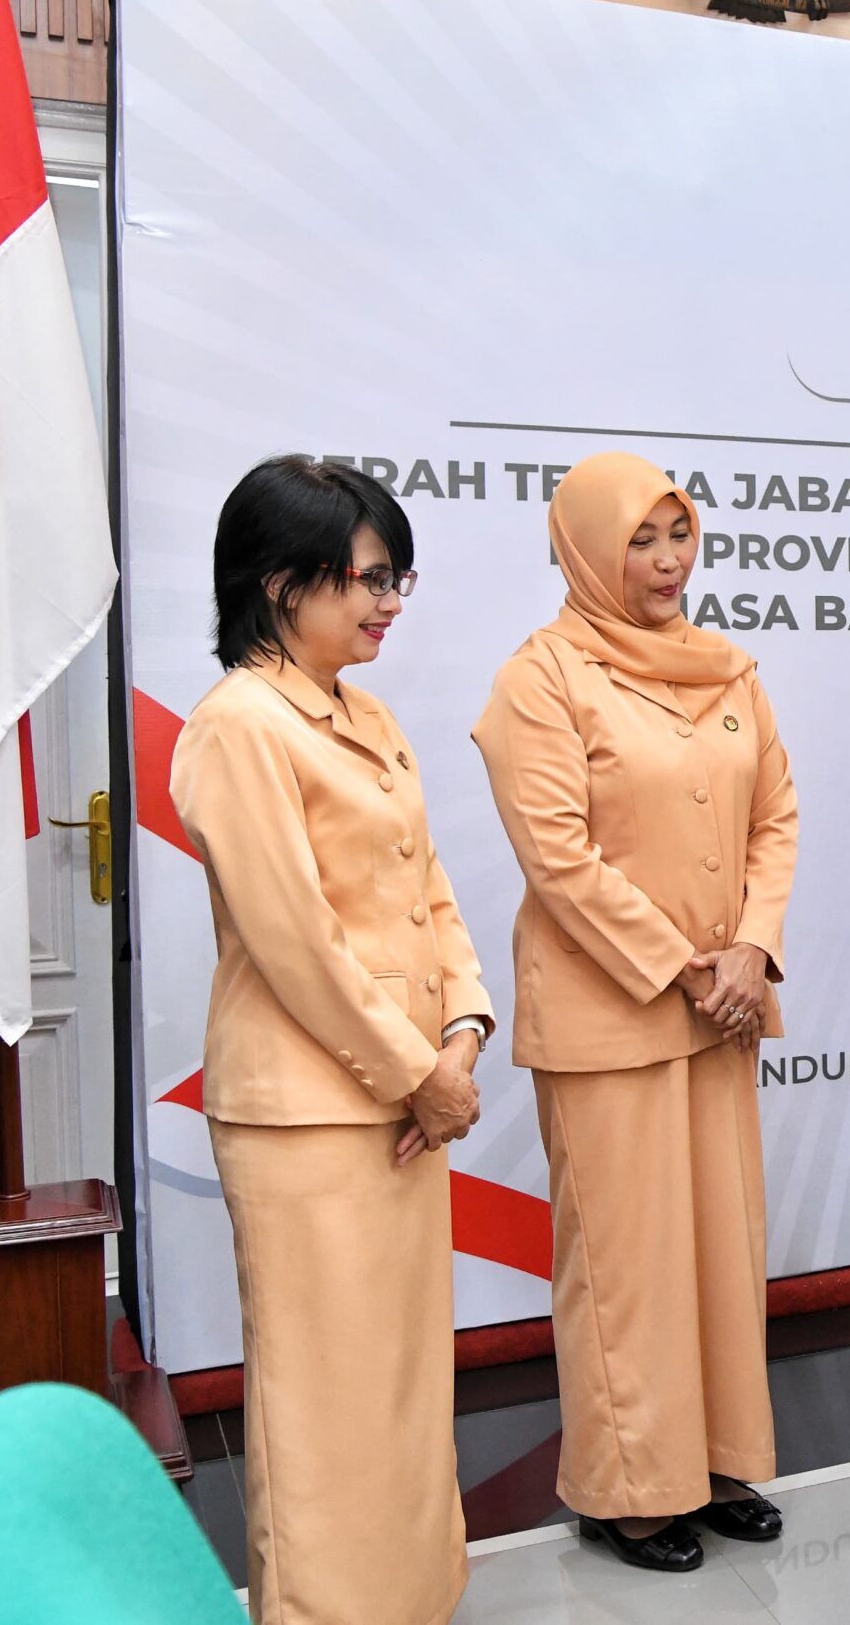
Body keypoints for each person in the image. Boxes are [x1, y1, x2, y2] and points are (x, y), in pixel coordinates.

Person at [170, 457, 488, 1625]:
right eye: (365, 576)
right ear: (278, 581)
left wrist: (458, 1032)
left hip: (409, 1097)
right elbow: (294, 939)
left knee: (402, 1385)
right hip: (308, 1109)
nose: (387, 600)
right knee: (326, 1399)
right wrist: (417, 1074)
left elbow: (430, 887)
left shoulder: (368, 709)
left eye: (394, 574)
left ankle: (412, 1600)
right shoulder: (238, 725)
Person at [473, 452, 798, 1573]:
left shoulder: (728, 668)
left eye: (679, 533)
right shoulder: (540, 679)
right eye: (641, 541)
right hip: (613, 1014)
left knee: (716, 1249)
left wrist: (751, 945)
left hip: (725, 1007)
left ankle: (709, 1464)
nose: (667, 561)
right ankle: (623, 1489)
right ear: (585, 550)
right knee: (625, 1263)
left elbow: (777, 812)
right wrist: (683, 963)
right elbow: (558, 857)